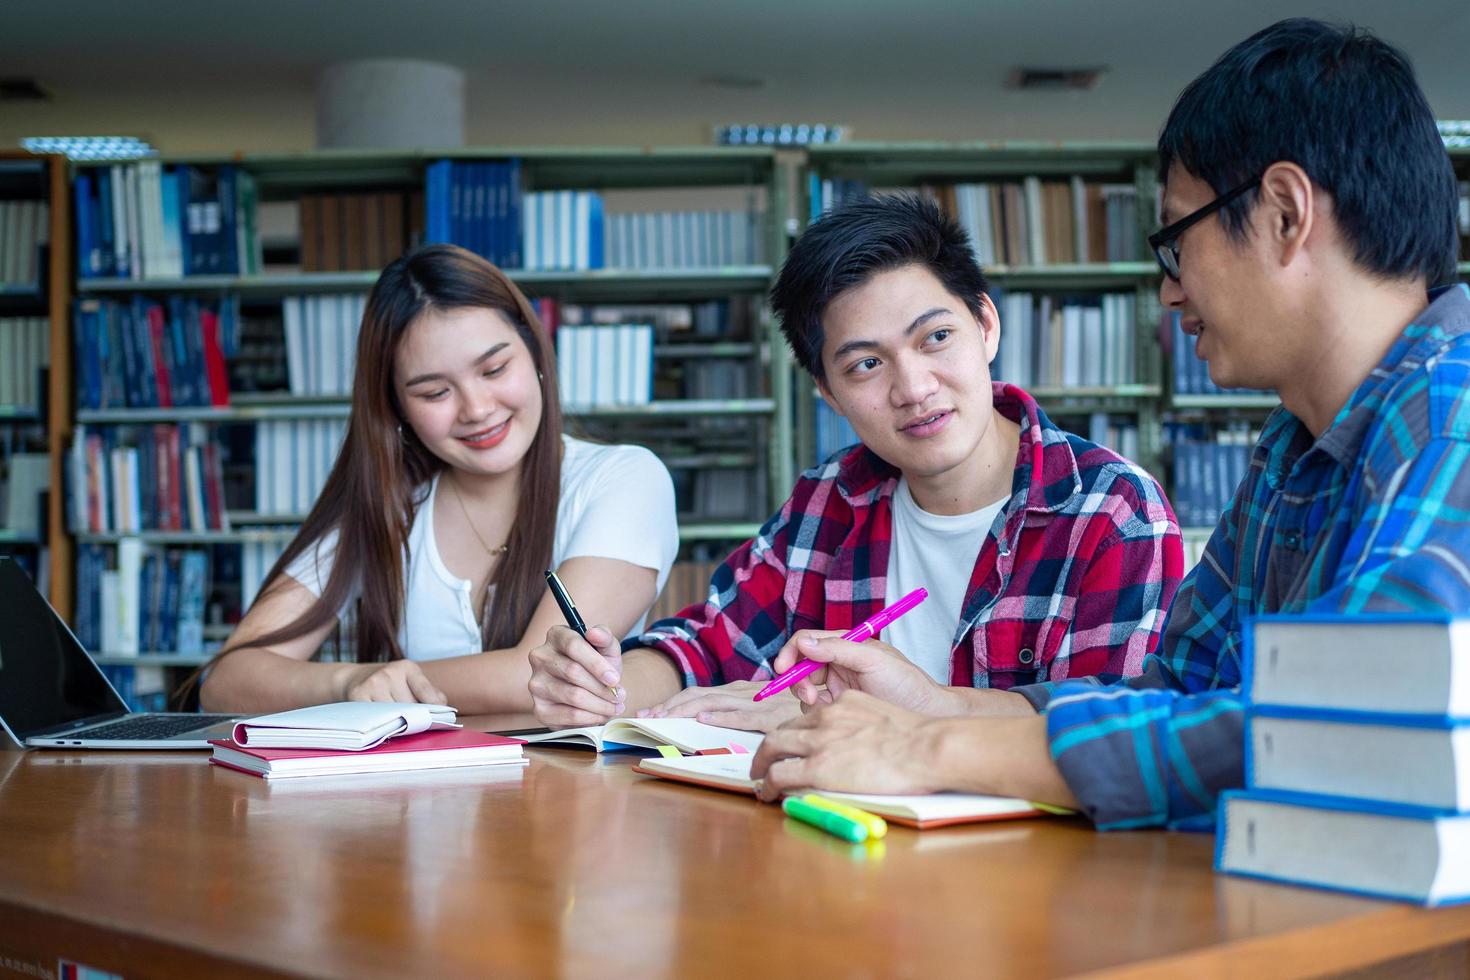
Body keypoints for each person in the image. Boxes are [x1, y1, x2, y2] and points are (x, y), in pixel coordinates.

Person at [748, 17, 1470, 829]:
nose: (1170, 292)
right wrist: (930, 711)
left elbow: (1346, 728)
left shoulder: (1451, 423)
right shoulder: (1291, 448)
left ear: (1284, 212)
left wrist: (926, 750)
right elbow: (1176, 691)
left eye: (1177, 242)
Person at [527, 193, 1183, 731]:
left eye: (936, 338)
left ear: (986, 325)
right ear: (827, 392)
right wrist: (605, 689)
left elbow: (1113, 727)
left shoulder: (1112, 510)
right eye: (866, 364)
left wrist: (837, 716)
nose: (913, 387)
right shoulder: (829, 502)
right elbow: (707, 645)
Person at [199, 244, 677, 714]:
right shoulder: (389, 504)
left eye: (494, 368)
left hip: (571, 788)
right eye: (434, 392)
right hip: (418, 792)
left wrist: (396, 678)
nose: (477, 409)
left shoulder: (624, 479)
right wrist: (353, 680)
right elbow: (226, 681)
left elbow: (535, 681)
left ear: (535, 352)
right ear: (397, 408)